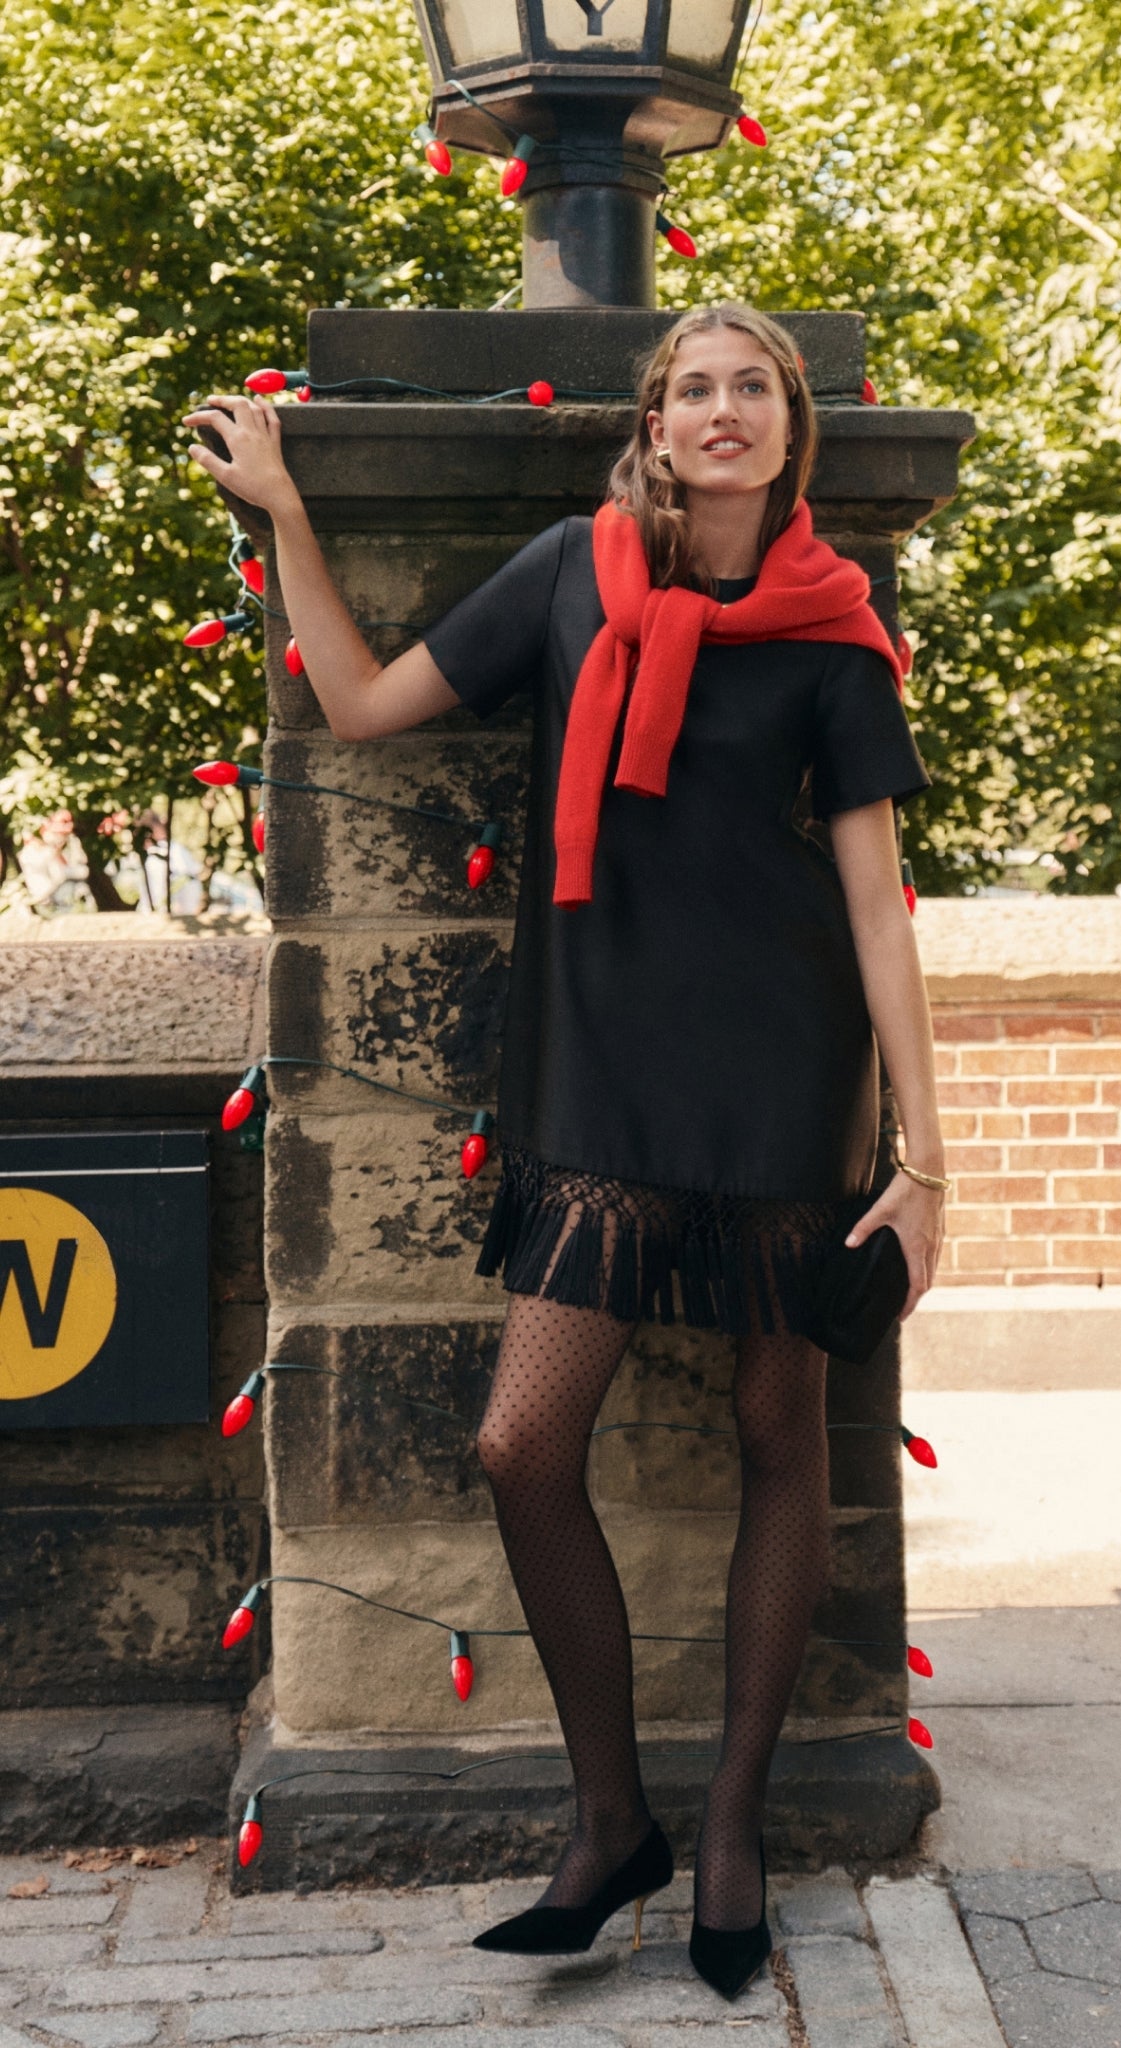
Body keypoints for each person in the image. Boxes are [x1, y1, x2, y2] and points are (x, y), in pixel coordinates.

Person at [184, 303, 947, 2000]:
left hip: (783, 1081)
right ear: (654, 421)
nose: (722, 410)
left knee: (774, 1424)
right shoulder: (570, 575)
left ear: (791, 425)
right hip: (597, 1079)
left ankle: (733, 1827)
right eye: (694, 387)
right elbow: (365, 702)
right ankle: (611, 1822)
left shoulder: (834, 627)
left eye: (753, 386)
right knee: (523, 1443)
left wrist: (926, 1155)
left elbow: (876, 909)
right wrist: (293, 517)